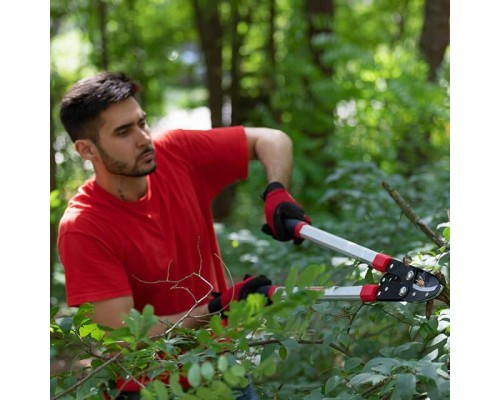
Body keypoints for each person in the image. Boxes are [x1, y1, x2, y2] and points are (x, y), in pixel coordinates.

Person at [57, 71, 311, 399]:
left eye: (141, 123)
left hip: (222, 367)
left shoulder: (176, 153)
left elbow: (273, 139)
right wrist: (214, 309)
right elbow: (121, 338)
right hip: (151, 389)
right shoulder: (83, 227)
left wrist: (277, 190)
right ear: (86, 150)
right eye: (123, 132)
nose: (143, 138)